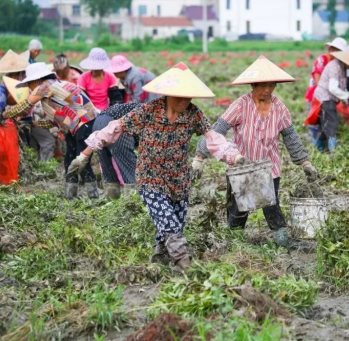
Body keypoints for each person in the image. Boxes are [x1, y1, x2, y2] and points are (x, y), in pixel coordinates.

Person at [67, 63, 244, 271]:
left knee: (176, 222)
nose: (184, 102)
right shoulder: (148, 111)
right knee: (169, 223)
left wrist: (235, 156)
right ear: (168, 94)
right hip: (150, 177)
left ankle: (160, 255)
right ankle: (183, 263)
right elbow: (115, 128)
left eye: (188, 97)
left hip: (179, 179)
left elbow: (213, 138)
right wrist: (84, 155)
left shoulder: (193, 114)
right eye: (180, 97)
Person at [194, 56, 318, 249]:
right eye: (262, 85)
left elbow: (290, 137)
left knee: (271, 204)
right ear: (252, 85)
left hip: (269, 167)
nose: (267, 90)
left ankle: (282, 243)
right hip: (241, 167)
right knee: (237, 209)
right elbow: (216, 131)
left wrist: (305, 163)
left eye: (271, 85)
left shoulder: (280, 108)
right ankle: (235, 244)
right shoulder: (241, 105)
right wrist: (199, 157)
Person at [0, 62, 99, 199]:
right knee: (69, 160)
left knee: (81, 162)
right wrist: (32, 123)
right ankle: (71, 197)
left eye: (29, 84)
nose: (29, 87)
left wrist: (3, 115)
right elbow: (55, 122)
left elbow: (25, 106)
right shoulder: (54, 91)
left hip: (86, 124)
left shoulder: (45, 85)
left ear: (37, 80)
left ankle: (93, 198)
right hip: (76, 128)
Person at [314, 41, 349, 152]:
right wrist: (348, 95)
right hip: (325, 97)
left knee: (325, 124)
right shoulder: (335, 67)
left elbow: (341, 85)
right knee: (332, 123)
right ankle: (333, 151)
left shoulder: (342, 68)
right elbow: (332, 88)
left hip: (329, 97)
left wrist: (345, 97)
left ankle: (317, 147)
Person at [92, 103, 140, 200]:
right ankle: (133, 203)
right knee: (129, 167)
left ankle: (113, 201)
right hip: (115, 124)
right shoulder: (155, 115)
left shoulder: (147, 108)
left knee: (108, 169)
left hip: (98, 122)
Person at [304, 45, 330, 143]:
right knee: (313, 120)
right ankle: (313, 146)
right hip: (315, 95)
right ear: (329, 49)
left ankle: (320, 144)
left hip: (326, 96)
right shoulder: (322, 60)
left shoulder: (336, 63)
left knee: (323, 122)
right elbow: (317, 80)